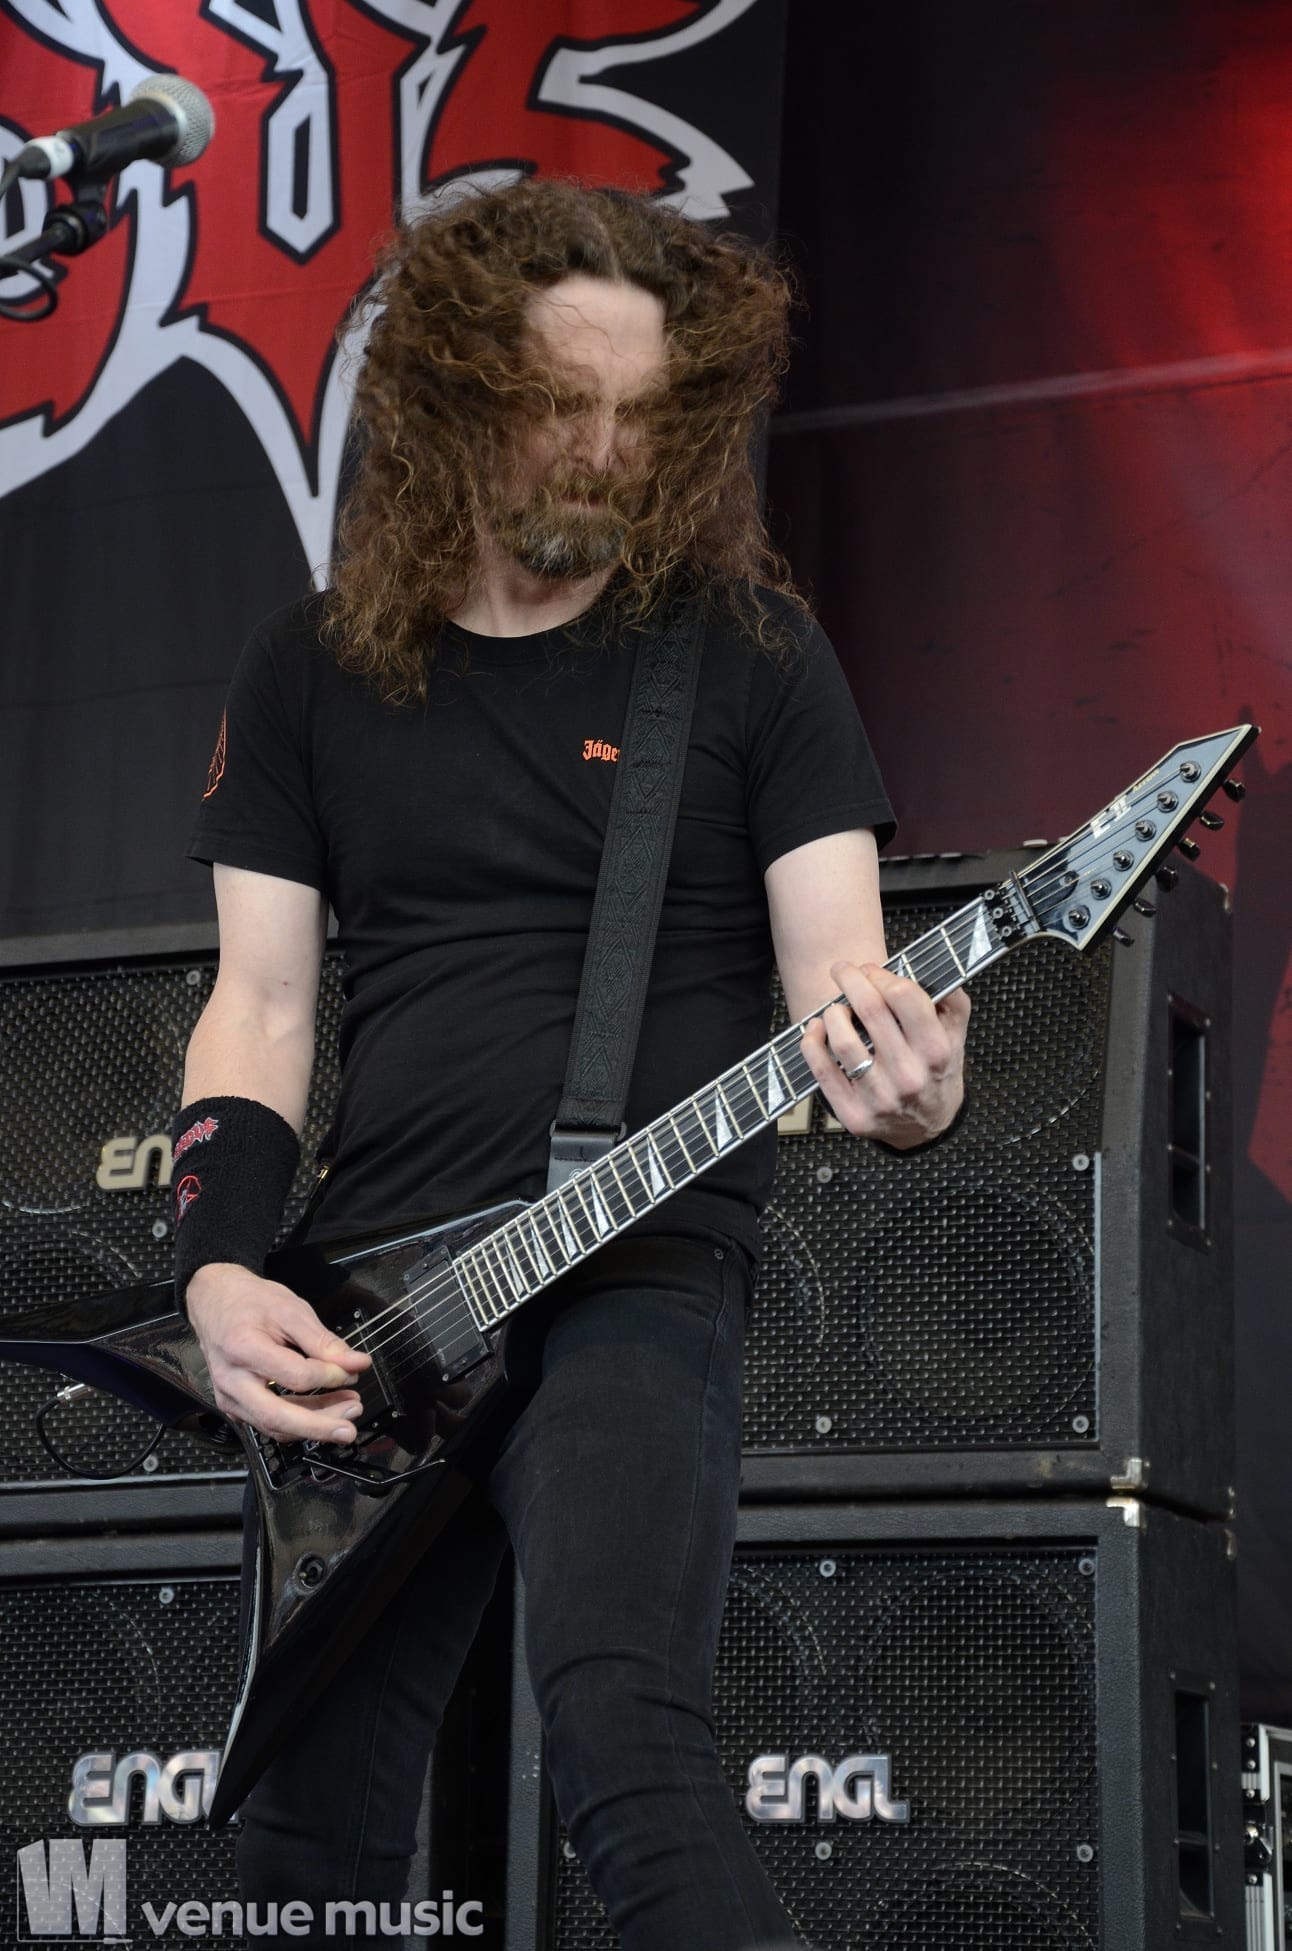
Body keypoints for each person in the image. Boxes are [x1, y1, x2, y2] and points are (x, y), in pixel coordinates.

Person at [174, 179, 969, 1951]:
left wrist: (916, 1086)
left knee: (625, 1737)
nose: (604, 452)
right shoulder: (310, 667)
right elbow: (263, 1006)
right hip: (370, 1314)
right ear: (452, 399)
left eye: (643, 414)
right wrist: (221, 1269)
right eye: (558, 405)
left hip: (635, 1267)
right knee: (302, 1844)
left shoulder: (749, 658)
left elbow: (846, 975)